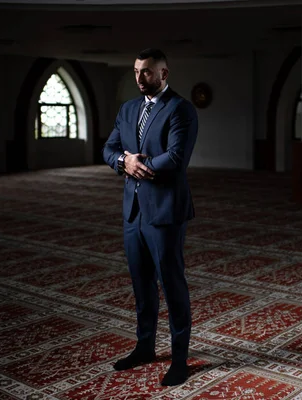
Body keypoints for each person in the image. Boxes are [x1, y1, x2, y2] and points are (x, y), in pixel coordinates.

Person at [102, 48, 198, 386]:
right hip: (133, 212)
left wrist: (139, 166)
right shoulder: (128, 109)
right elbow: (109, 149)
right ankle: (144, 347)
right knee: (141, 285)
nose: (140, 78)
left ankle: (180, 359)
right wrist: (122, 162)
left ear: (164, 74)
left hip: (165, 211)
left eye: (147, 72)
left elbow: (176, 157)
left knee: (172, 285)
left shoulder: (180, 109)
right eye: (136, 71)